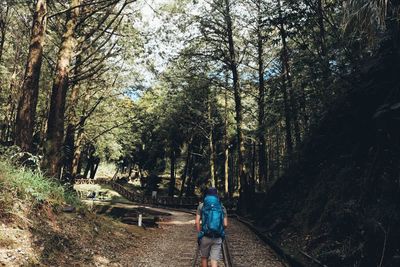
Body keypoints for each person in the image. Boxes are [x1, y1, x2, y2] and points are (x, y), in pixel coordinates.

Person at [195, 187, 228, 267]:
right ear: (216, 195)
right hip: (217, 236)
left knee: (204, 258)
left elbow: (197, 221)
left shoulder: (202, 206)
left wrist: (200, 232)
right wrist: (220, 230)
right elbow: (225, 224)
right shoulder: (221, 207)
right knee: (214, 260)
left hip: (205, 236)